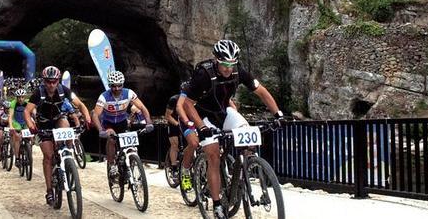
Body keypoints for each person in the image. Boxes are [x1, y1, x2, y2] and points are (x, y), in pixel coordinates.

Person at [176, 39, 284, 219]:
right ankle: (217, 204)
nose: (228, 68)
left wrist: (278, 114)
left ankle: (245, 166)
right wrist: (201, 127)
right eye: (225, 64)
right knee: (213, 154)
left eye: (232, 64)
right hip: (204, 116)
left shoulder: (238, 71)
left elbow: (262, 91)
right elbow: (187, 104)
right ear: (217, 60)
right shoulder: (204, 75)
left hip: (224, 112)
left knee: (249, 136)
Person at [24, 66, 92, 206]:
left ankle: (67, 155)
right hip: (43, 124)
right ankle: (49, 191)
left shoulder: (64, 91)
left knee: (65, 123)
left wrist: (87, 117)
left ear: (58, 81)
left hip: (57, 119)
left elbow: (80, 105)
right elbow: (27, 111)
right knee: (48, 156)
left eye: (54, 81)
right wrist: (30, 124)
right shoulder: (38, 93)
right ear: (44, 81)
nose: (51, 85)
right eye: (48, 82)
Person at [93, 70, 154, 178]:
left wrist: (148, 122)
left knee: (130, 145)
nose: (116, 89)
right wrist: (101, 130)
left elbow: (142, 108)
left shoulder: (129, 93)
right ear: (109, 85)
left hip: (122, 122)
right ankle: (111, 164)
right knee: (111, 139)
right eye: (113, 86)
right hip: (108, 123)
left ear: (123, 84)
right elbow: (95, 115)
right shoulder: (104, 96)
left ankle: (131, 162)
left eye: (119, 86)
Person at [165, 82, 199, 192]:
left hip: (189, 121)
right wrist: (176, 124)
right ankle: (174, 167)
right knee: (174, 144)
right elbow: (168, 115)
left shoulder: (196, 99)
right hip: (175, 121)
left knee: (192, 143)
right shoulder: (174, 100)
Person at [8, 88, 29, 168]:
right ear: (16, 97)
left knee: (30, 134)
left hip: (25, 121)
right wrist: (11, 125)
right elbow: (10, 116)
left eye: (22, 97)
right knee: (17, 137)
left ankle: (28, 148)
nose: (20, 99)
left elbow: (33, 112)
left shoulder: (27, 103)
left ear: (25, 97)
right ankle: (17, 158)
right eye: (19, 97)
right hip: (16, 122)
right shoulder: (13, 103)